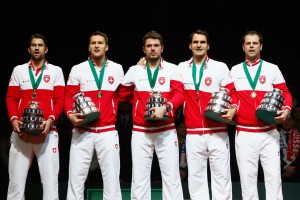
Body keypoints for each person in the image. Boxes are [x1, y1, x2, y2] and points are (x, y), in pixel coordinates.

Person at [224, 30, 293, 200]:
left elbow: (285, 92)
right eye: (248, 43)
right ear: (243, 47)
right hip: (245, 133)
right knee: (247, 182)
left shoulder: (272, 68)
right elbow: (230, 93)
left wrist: (287, 109)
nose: (252, 46)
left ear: (261, 46)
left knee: (274, 179)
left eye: (255, 43)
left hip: (269, 132)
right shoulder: (235, 69)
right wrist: (233, 106)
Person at [118, 30, 185, 200]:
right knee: (140, 179)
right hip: (141, 131)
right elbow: (122, 95)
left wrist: (167, 106)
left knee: (171, 178)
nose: (152, 49)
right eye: (149, 46)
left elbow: (179, 94)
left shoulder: (172, 69)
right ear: (144, 49)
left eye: (156, 45)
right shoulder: (135, 70)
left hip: (166, 130)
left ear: (162, 48)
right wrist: (138, 102)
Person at [64, 31, 123, 200]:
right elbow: (69, 96)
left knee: (112, 180)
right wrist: (70, 115)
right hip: (83, 130)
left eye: (100, 43)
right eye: (93, 43)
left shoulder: (117, 68)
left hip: (108, 130)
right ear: (89, 47)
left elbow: (125, 93)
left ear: (106, 47)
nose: (97, 45)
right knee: (76, 179)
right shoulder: (78, 68)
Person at [5, 33, 65, 200]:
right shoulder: (19, 70)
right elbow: (11, 98)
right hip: (21, 133)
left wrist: (51, 118)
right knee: (15, 186)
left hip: (47, 133)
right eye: (33, 45)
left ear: (46, 49)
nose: (37, 48)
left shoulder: (56, 71)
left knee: (50, 185)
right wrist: (14, 119)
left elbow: (60, 100)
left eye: (40, 45)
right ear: (29, 49)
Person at [177, 29, 232, 200]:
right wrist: (142, 62)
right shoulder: (181, 68)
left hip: (218, 131)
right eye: (195, 42)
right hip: (193, 133)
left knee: (221, 179)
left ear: (208, 45)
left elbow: (232, 93)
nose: (198, 45)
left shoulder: (220, 67)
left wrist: (233, 109)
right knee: (196, 180)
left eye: (202, 42)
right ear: (190, 46)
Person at [278, 113, 300, 182]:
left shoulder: (299, 135)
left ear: (293, 122)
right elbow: (272, 154)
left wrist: (291, 169)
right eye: (285, 120)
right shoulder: (275, 135)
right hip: (279, 170)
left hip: (296, 171)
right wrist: (285, 167)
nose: (287, 122)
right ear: (281, 122)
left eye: (289, 120)